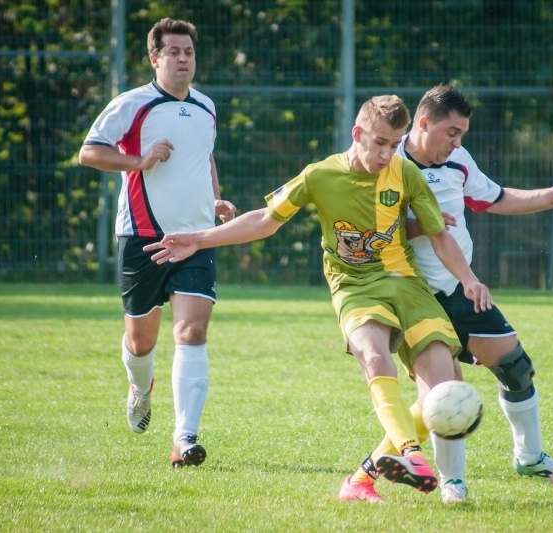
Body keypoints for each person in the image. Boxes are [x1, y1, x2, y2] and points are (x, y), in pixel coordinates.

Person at [143, 95, 493, 494]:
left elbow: (438, 235)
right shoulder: (319, 175)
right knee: (374, 355)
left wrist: (469, 279)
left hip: (407, 284)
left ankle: (366, 476)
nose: (386, 153)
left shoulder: (405, 175)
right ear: (357, 134)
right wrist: (199, 239)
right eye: (379, 142)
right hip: (355, 287)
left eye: (395, 144)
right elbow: (264, 220)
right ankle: (410, 452)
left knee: (442, 384)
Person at [341, 84, 553, 504]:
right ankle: (450, 480)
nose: (457, 142)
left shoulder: (458, 160)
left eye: (462, 134)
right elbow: (368, 232)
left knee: (517, 368)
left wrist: (551, 196)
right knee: (443, 392)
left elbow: (494, 197)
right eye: (451, 132)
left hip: (462, 288)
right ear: (423, 124)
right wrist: (423, 224)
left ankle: (529, 457)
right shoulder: (386, 159)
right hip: (415, 294)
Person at [78, 18, 237, 468]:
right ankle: (139, 386)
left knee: (192, 331)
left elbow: (203, 159)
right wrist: (140, 160)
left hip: (197, 238)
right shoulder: (133, 104)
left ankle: (184, 439)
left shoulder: (206, 107)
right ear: (154, 58)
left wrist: (215, 199)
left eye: (188, 51)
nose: (183, 59)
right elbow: (90, 151)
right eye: (173, 52)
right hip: (143, 237)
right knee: (141, 342)